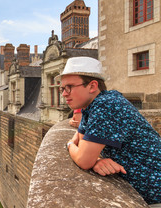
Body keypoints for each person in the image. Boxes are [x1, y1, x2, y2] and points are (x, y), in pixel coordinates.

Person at [58, 56, 161, 205]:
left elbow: (83, 159)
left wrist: (69, 145)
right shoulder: (91, 106)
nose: (64, 93)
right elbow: (82, 143)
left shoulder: (107, 105)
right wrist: (96, 161)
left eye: (69, 87)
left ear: (92, 86)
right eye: (62, 88)